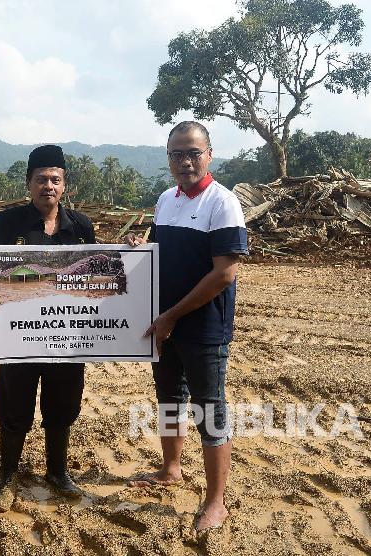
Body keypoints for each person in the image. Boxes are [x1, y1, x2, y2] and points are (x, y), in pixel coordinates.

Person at [125, 121, 247, 531]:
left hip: (201, 327)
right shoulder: (166, 199)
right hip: (164, 324)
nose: (185, 161)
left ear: (209, 154)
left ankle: (216, 502)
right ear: (168, 159)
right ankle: (171, 468)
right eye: (176, 154)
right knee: (169, 400)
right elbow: (161, 250)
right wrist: (141, 251)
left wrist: (172, 316)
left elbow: (224, 274)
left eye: (193, 152)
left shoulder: (223, 202)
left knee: (209, 409)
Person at [0, 145, 95, 513]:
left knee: (63, 404)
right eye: (41, 180)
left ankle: (57, 471)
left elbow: (100, 276)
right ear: (29, 184)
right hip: (18, 334)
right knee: (14, 404)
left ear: (64, 185)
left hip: (67, 337)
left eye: (55, 180)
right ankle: (8, 477)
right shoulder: (9, 222)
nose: (47, 186)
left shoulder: (81, 227)